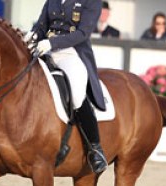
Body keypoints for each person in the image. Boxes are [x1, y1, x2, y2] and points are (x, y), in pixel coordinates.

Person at [24, 0, 108, 173]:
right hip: (46, 51)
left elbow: (83, 33)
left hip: (71, 53)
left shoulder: (92, 2)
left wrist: (52, 43)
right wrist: (32, 35)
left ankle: (95, 148)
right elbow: (42, 26)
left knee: (76, 96)